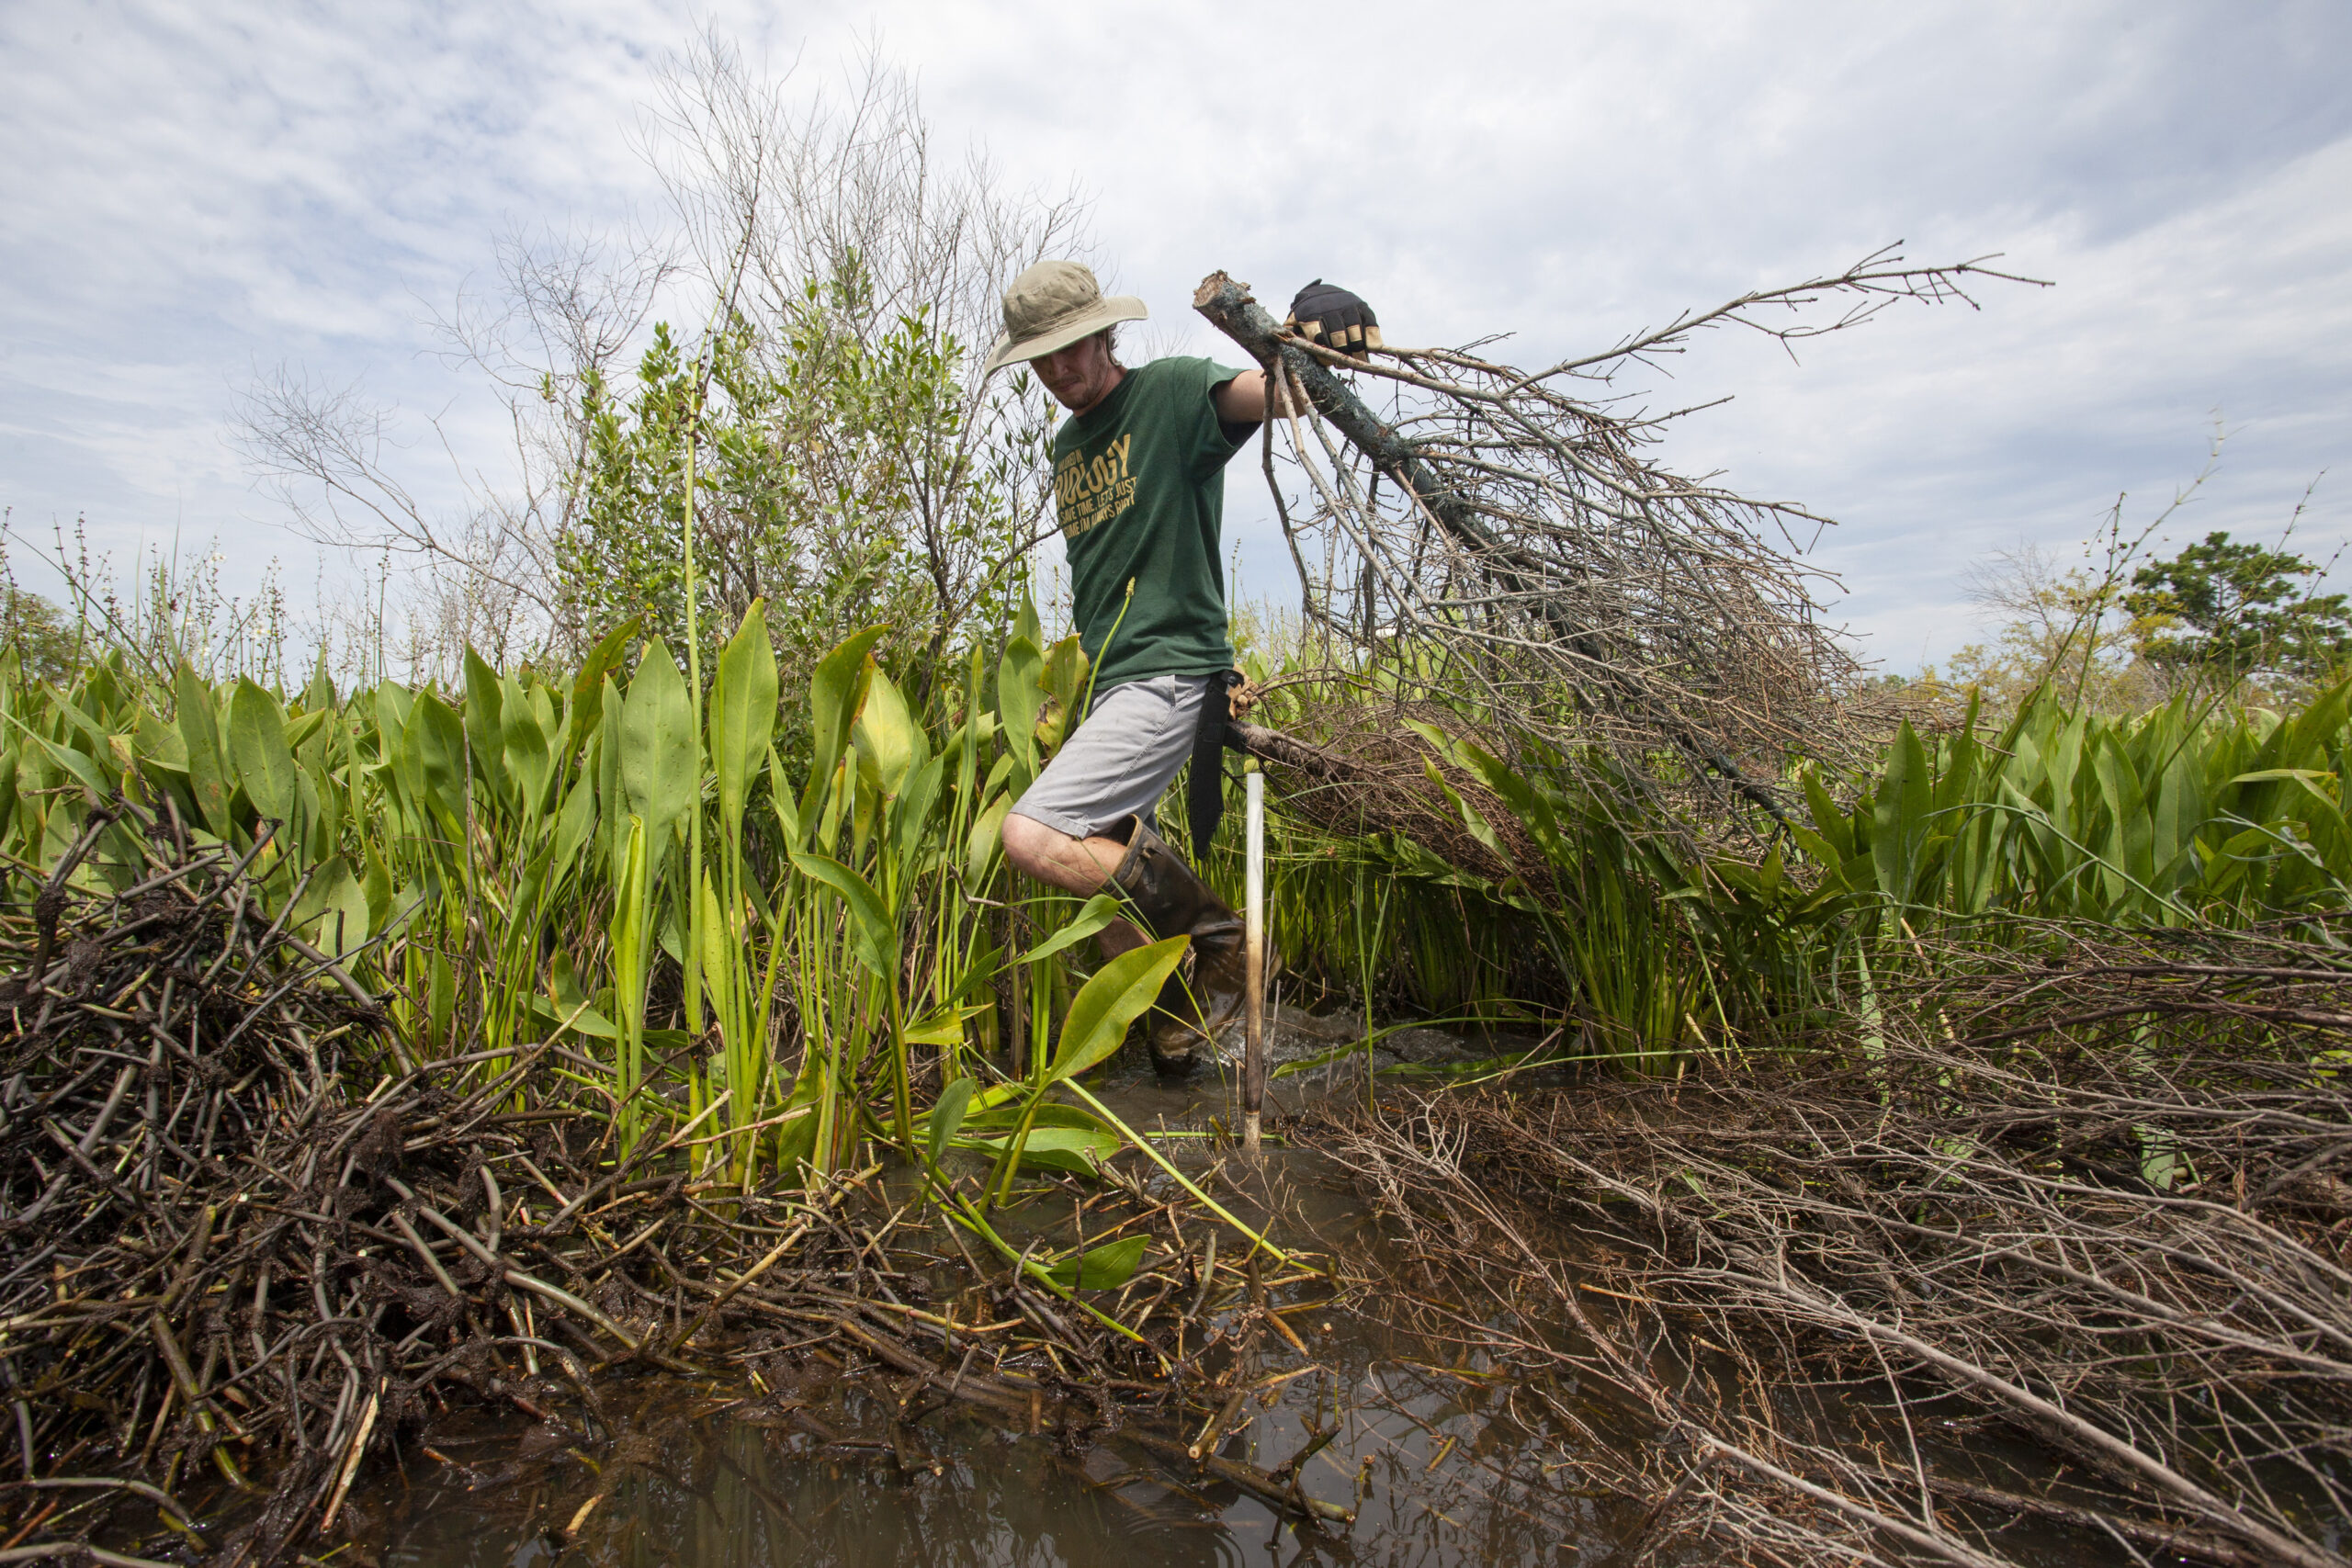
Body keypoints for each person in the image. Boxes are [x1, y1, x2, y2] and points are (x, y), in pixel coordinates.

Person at [985, 261, 1377, 1077]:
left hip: (1166, 674)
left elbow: (1265, 395)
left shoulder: (1165, 394)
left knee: (1032, 834)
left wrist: (1308, 352)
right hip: (1113, 686)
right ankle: (1176, 1012)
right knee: (1093, 874)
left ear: (1103, 333)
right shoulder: (1066, 447)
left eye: (1071, 349)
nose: (1059, 371)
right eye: (1042, 359)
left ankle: (1222, 941)